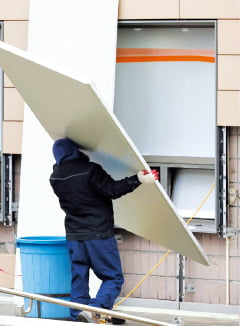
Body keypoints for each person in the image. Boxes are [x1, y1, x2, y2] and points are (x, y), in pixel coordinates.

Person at [49, 138, 158, 324]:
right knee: (113, 277)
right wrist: (138, 179)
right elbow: (112, 190)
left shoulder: (55, 177)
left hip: (74, 235)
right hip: (98, 233)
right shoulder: (90, 170)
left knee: (79, 279)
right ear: (76, 151)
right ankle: (97, 310)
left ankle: (78, 316)